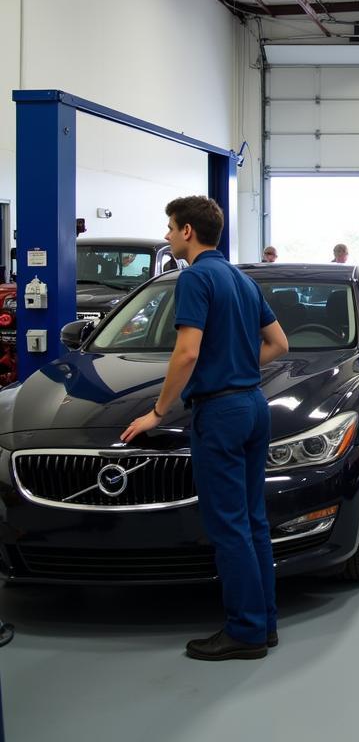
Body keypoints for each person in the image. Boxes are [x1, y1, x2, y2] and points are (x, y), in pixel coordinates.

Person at [122, 196, 289, 659]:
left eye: (170, 228)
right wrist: (236, 362)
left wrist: (158, 411)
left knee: (228, 524)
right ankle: (265, 621)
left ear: (189, 232)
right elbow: (278, 343)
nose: (167, 236)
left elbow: (187, 352)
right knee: (253, 519)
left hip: (220, 413)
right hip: (254, 405)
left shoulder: (195, 278)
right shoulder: (241, 278)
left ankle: (245, 631)